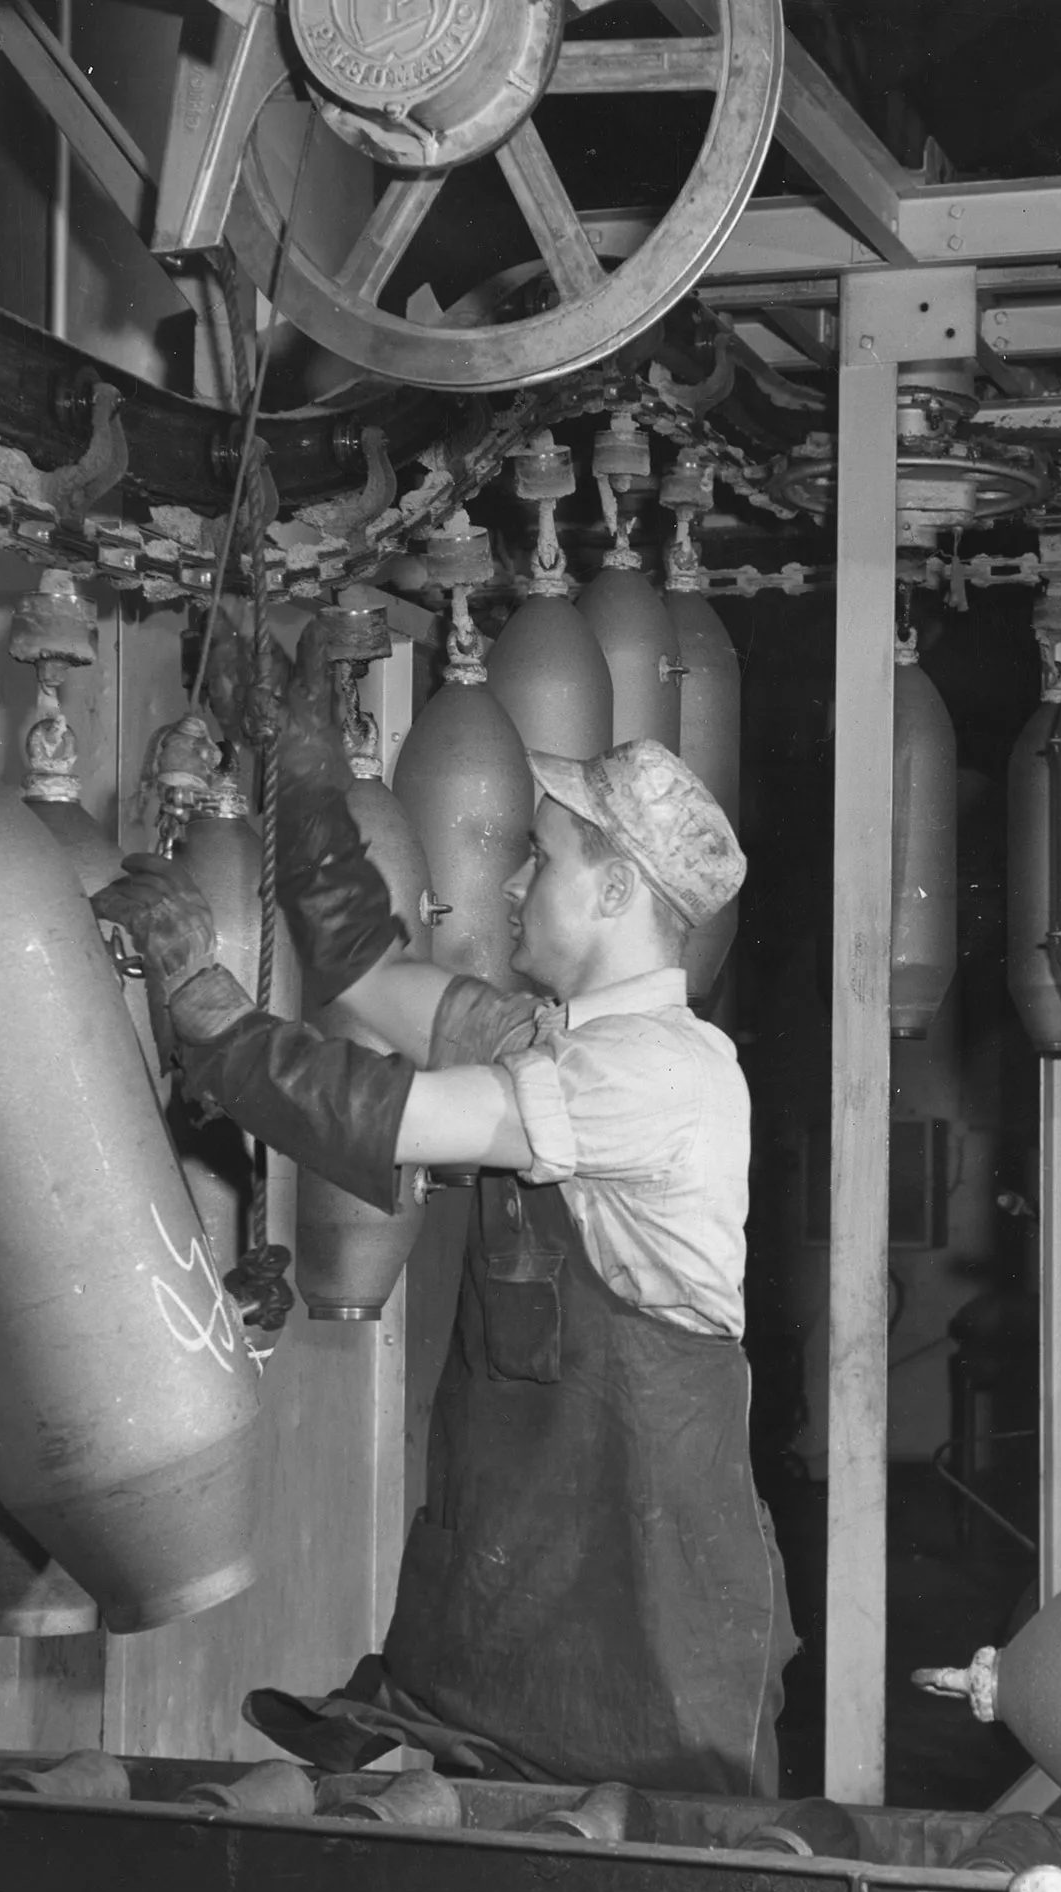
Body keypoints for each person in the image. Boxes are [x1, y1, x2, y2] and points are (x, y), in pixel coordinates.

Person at [94, 637, 794, 1797]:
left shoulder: (655, 1077)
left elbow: (388, 1112)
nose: (510, 884)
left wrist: (200, 999)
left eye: (544, 859)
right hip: (534, 1620)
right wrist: (305, 773)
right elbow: (367, 975)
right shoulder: (559, 1043)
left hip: (646, 1636)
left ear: (616, 890)